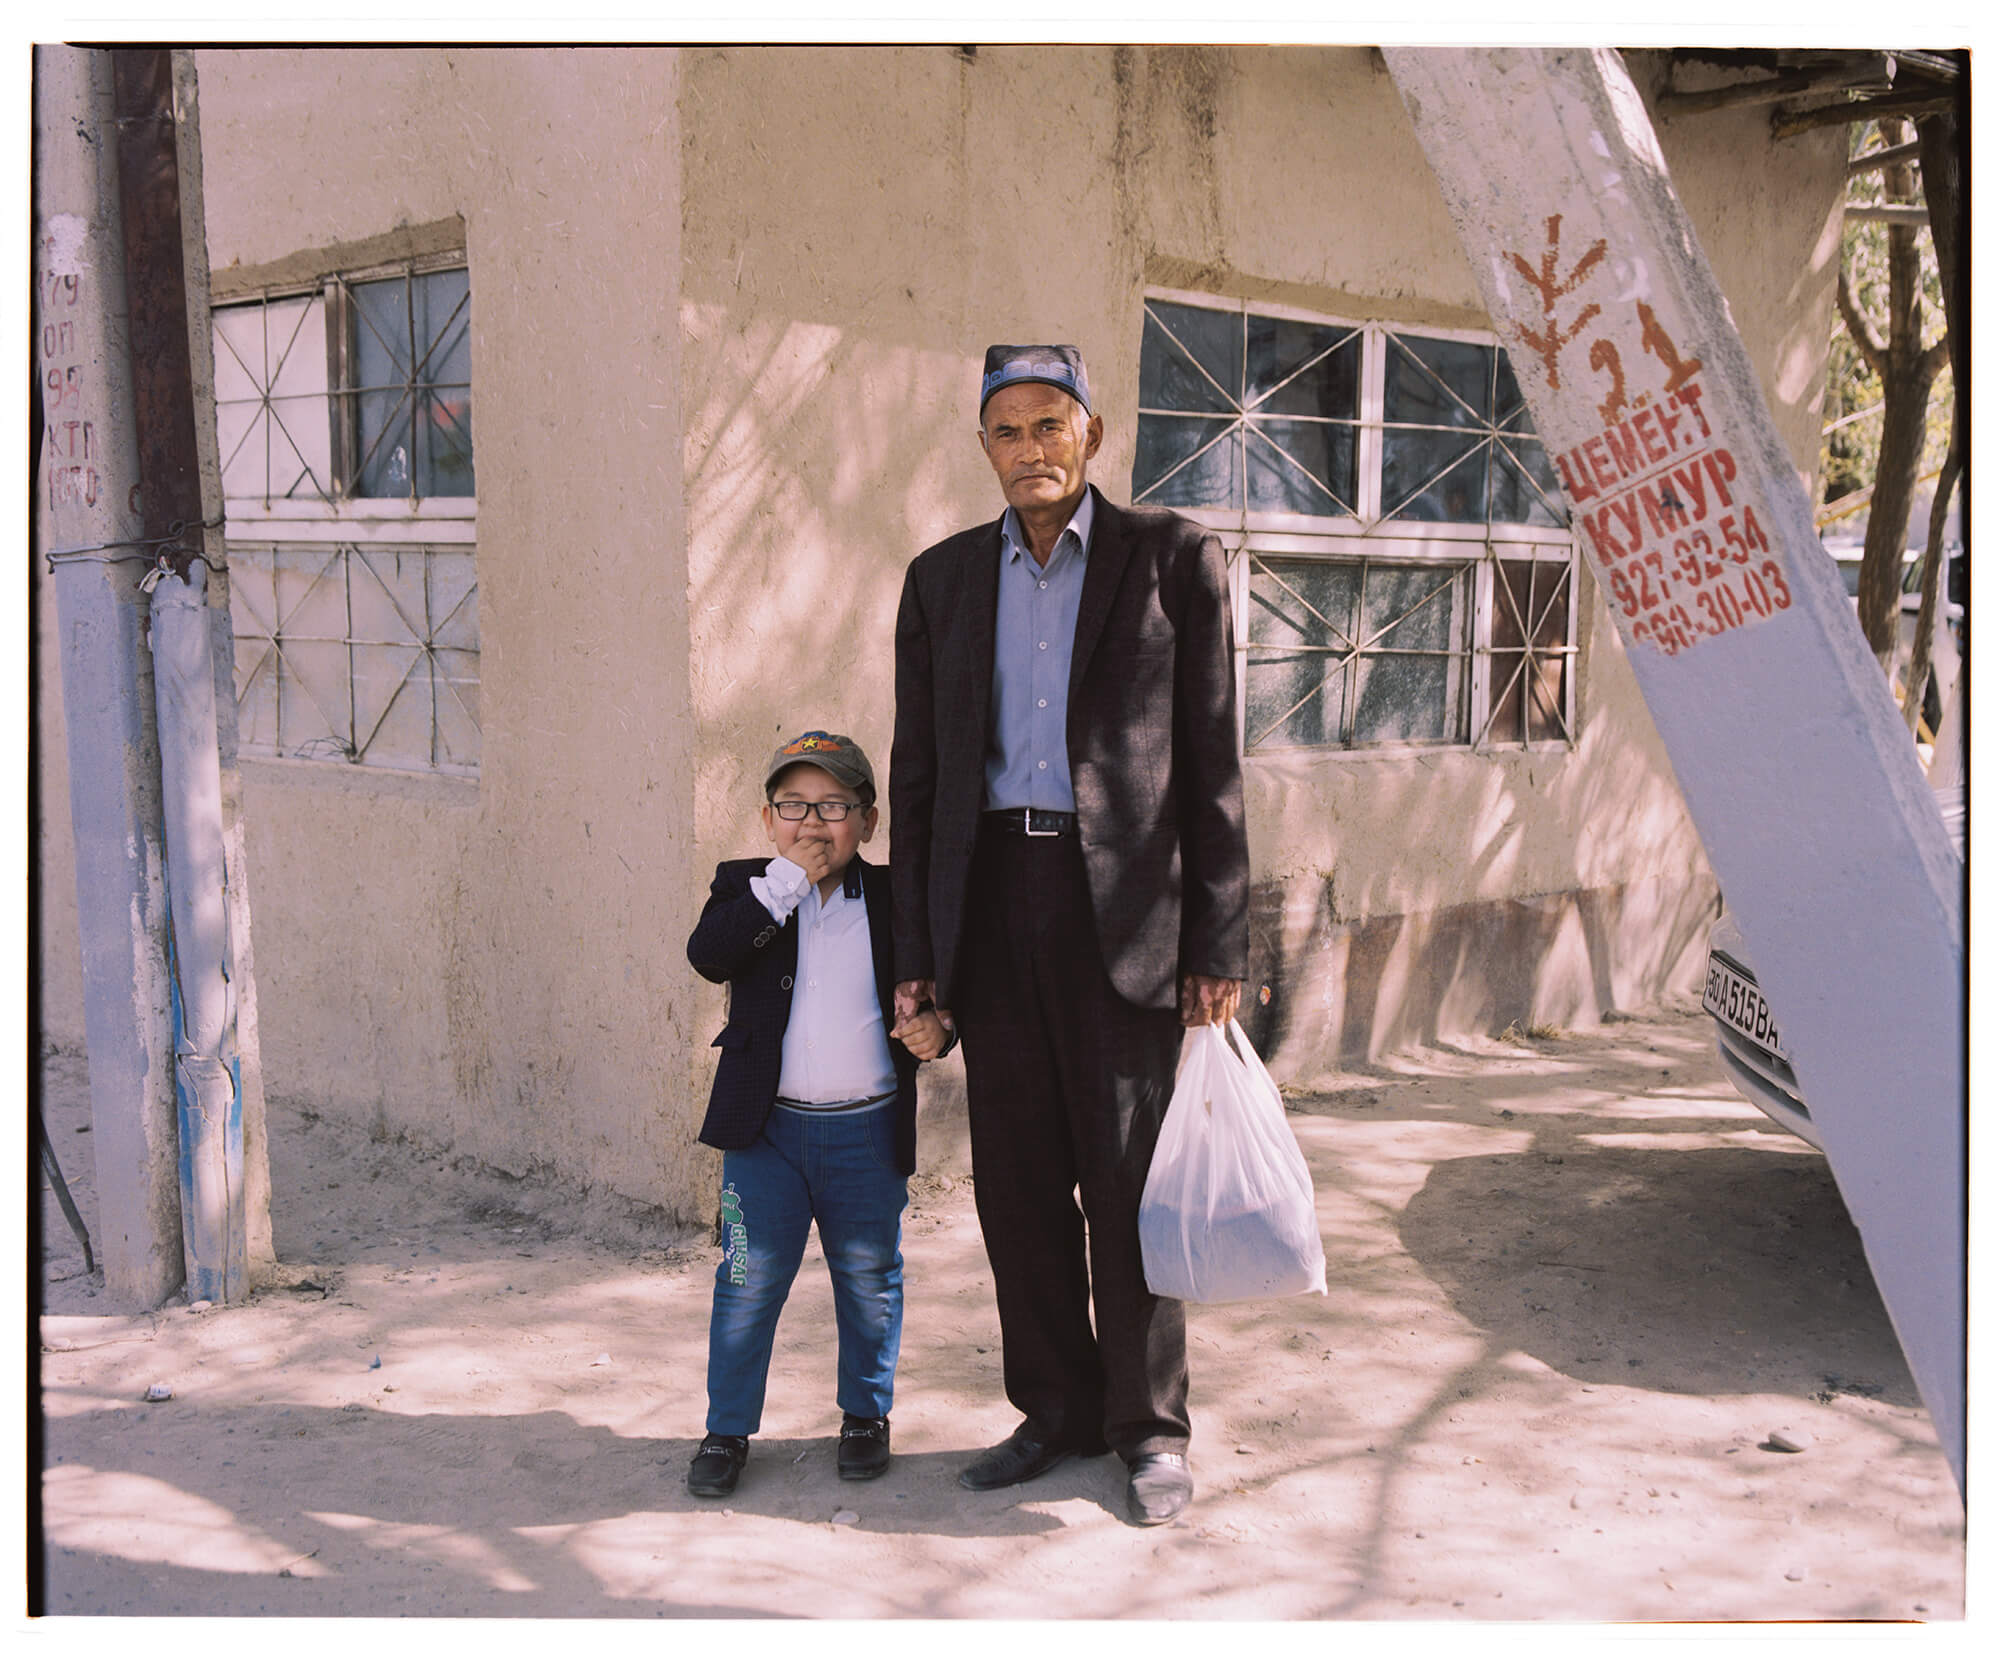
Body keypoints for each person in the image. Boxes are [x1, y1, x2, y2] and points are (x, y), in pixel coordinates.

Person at [891, 344, 1249, 1527]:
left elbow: (1212, 760)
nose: (1029, 449)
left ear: (1089, 435)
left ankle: (1146, 1427)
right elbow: (922, 775)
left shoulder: (1170, 557)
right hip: (992, 902)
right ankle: (1051, 1406)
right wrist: (918, 959)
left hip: (1129, 914)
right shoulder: (941, 581)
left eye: (1050, 425)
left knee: (1130, 1178)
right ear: (983, 446)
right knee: (1019, 1182)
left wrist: (1218, 940)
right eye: (1006, 430)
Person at [684, 730, 951, 1499]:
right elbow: (710, 954)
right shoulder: (746, 887)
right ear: (768, 819)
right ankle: (726, 1428)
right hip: (764, 1135)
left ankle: (865, 1415)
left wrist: (941, 1029)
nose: (813, 822)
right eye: (795, 805)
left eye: (834, 805)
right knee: (745, 1278)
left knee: (869, 1278)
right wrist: (782, 887)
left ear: (867, 821)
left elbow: (943, 999)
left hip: (865, 1130)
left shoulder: (899, 898)